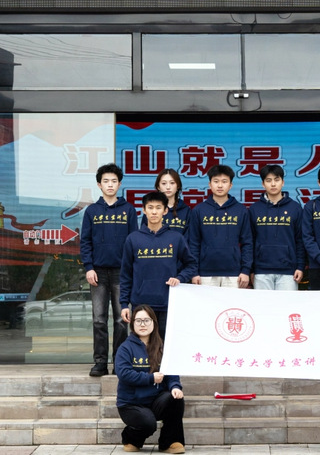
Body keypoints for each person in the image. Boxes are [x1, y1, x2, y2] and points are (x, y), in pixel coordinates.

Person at [80, 163, 138, 377]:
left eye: (114, 181)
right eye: (106, 181)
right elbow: (85, 241)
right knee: (99, 319)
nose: (110, 184)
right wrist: (89, 267)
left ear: (119, 184)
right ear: (99, 185)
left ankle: (120, 363)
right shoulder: (92, 211)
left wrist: (131, 270)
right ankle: (100, 363)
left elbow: (134, 242)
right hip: (98, 273)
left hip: (121, 273)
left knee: (122, 320)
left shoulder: (128, 210)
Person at [120, 191, 197, 339]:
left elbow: (191, 265)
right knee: (142, 344)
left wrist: (180, 278)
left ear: (165, 211)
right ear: (144, 210)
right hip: (141, 305)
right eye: (150, 207)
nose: (154, 212)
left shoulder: (176, 238)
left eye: (158, 207)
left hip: (167, 303)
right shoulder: (133, 239)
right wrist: (124, 304)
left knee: (166, 344)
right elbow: (126, 274)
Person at [115, 305, 186, 454]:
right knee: (148, 424)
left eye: (147, 320)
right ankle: (130, 438)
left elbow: (171, 372)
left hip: (155, 400)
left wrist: (175, 386)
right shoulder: (125, 348)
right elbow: (124, 374)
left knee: (175, 398)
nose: (143, 324)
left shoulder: (161, 347)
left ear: (154, 322)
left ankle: (169, 442)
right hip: (131, 404)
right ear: (132, 323)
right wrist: (150, 378)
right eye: (138, 321)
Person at [189, 164, 253, 288]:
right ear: (209, 184)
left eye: (224, 181)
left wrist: (245, 270)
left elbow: (247, 243)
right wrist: (194, 272)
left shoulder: (240, 210)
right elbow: (193, 243)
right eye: (216, 181)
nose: (220, 185)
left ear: (230, 185)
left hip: (234, 273)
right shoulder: (199, 210)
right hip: (205, 273)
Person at [248, 164, 305, 290]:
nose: (273, 184)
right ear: (263, 184)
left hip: (288, 271)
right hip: (261, 271)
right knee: (263, 303)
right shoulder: (254, 209)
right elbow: (249, 241)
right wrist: (250, 269)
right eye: (268, 180)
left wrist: (300, 267)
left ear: (283, 182)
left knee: (287, 303)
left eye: (276, 180)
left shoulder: (295, 208)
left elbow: (300, 240)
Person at [141, 169, 191, 238]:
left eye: (172, 183)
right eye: (164, 183)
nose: (168, 187)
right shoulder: (151, 210)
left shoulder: (186, 210)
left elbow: (189, 238)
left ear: (178, 186)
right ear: (158, 187)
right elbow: (143, 236)